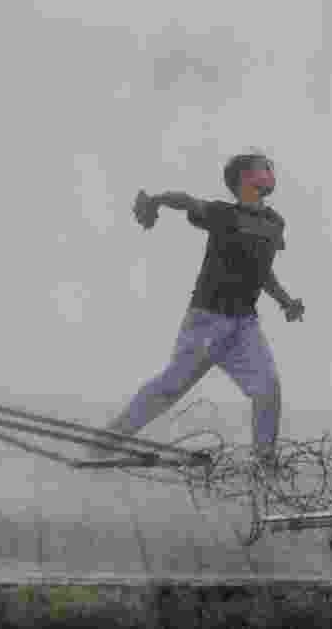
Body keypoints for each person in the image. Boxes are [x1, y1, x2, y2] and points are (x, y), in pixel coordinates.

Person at [92, 153, 305, 474]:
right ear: (245, 178)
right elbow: (189, 202)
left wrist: (286, 302)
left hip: (244, 325)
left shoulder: (275, 224)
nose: (271, 173)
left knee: (267, 389)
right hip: (207, 320)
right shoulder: (222, 213)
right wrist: (156, 201)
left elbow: (263, 272)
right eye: (264, 168)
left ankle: (264, 464)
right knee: (169, 388)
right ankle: (105, 442)